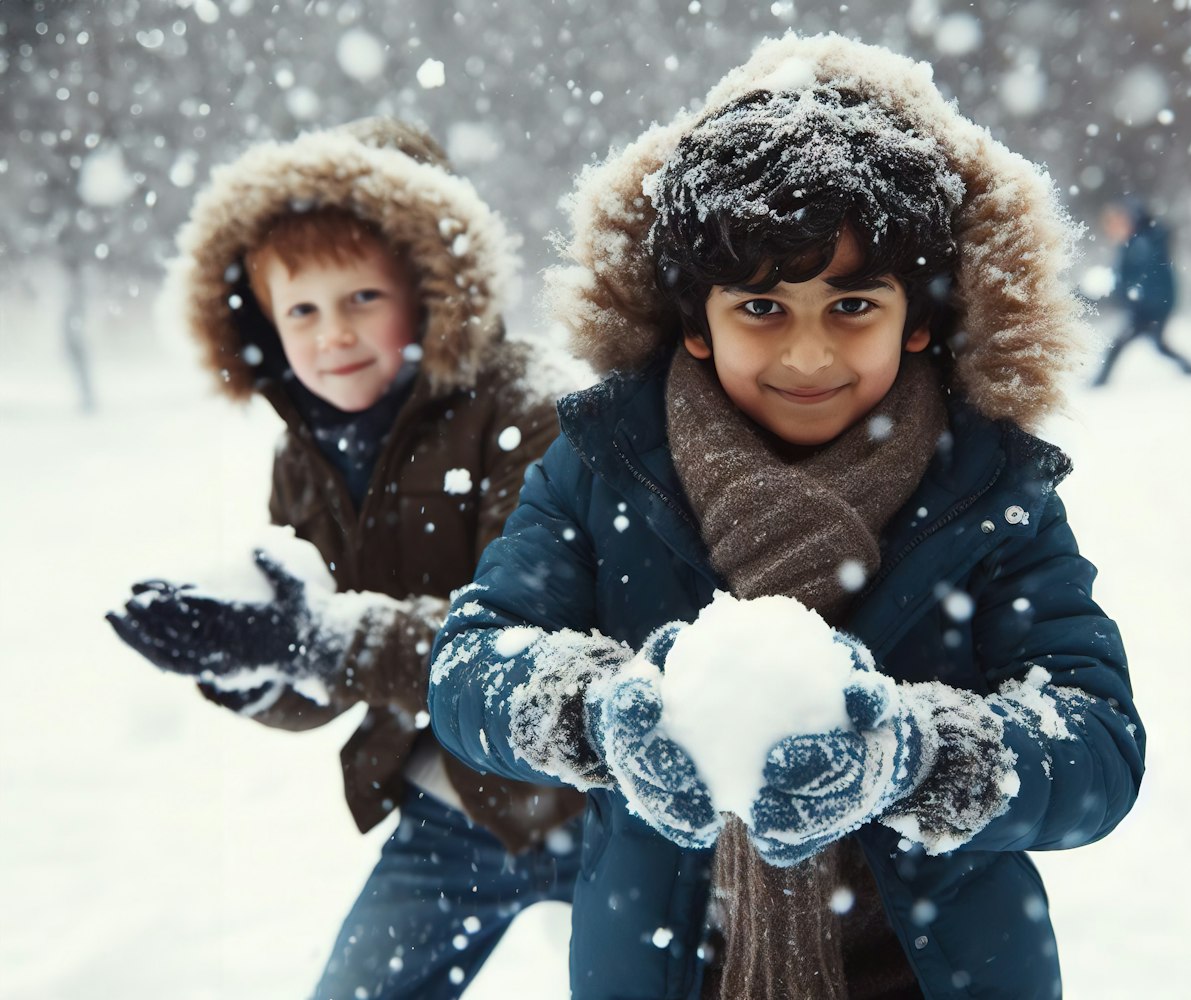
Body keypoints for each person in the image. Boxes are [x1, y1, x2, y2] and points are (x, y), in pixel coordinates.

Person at [428, 34, 1146, 1000]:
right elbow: (472, 660)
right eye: (762, 307)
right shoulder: (606, 466)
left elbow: (1096, 740)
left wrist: (915, 756)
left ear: (919, 317)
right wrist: (597, 715)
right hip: (667, 974)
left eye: (852, 303)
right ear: (695, 319)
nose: (809, 357)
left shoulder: (991, 493)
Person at [105, 118, 584, 999]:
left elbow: (516, 647)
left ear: (437, 288)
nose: (333, 335)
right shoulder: (305, 457)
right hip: (453, 814)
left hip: (604, 805)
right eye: (302, 310)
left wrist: (315, 639)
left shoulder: (536, 408)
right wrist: (256, 662)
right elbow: (326, 674)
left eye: (362, 297)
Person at [1091, 196, 1191, 386]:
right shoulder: (1130, 245)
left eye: (1117, 222)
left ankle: (1099, 382)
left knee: (1120, 344)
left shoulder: (1146, 242)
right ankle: (1190, 369)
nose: (1112, 229)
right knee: (1158, 346)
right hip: (1143, 307)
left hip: (1151, 307)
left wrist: (1142, 302)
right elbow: (1123, 279)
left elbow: (1148, 277)